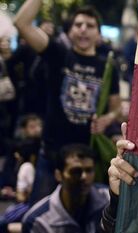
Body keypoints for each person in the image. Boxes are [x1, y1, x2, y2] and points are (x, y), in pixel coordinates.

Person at [14, 2, 121, 204]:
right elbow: (21, 23)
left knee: (83, 223)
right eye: (78, 24)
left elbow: (116, 108)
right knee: (41, 214)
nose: (83, 29)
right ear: (70, 31)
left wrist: (107, 119)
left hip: (86, 161)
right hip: (52, 155)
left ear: (98, 34)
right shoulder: (57, 53)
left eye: (90, 26)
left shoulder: (108, 68)